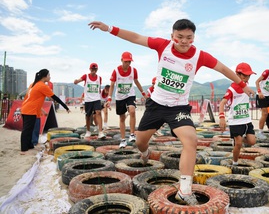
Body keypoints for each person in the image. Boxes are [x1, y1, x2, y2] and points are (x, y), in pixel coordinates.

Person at [89, 19, 254, 205]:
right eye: (180, 37)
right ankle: (145, 154)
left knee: (191, 140)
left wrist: (242, 85)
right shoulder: (163, 46)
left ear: (194, 37)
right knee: (140, 143)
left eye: (189, 37)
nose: (184, 41)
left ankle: (184, 190)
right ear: (172, 36)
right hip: (156, 105)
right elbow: (135, 37)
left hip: (178, 108)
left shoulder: (199, 55)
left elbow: (223, 68)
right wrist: (109, 28)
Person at [20, 69, 70, 155]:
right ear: (45, 76)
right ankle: (23, 149)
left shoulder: (33, 84)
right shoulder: (42, 86)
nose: (50, 77)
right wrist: (65, 107)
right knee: (27, 130)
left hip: (25, 108)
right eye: (49, 75)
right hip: (30, 110)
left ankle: (29, 146)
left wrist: (41, 110)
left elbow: (31, 98)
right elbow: (55, 97)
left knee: (29, 129)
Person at [105, 52, 147, 148]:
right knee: (122, 118)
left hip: (130, 95)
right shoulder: (116, 71)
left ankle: (132, 134)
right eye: (126, 61)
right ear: (122, 60)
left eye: (129, 61)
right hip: (119, 97)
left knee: (132, 110)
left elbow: (136, 82)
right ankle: (123, 140)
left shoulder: (134, 70)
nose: (128, 63)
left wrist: (143, 93)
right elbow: (111, 85)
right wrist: (109, 98)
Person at [219, 62, 257, 166]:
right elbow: (222, 103)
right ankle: (235, 163)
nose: (247, 78)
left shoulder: (246, 86)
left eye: (249, 75)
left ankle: (237, 139)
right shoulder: (231, 89)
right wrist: (222, 117)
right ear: (237, 75)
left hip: (247, 121)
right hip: (235, 122)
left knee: (252, 142)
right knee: (239, 144)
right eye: (245, 75)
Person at [74, 63, 105, 139]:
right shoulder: (86, 76)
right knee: (88, 116)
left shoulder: (99, 78)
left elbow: (99, 88)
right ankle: (88, 131)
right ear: (90, 69)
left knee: (98, 112)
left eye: (95, 69)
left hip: (96, 99)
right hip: (88, 100)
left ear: (97, 70)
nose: (94, 71)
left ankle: (100, 132)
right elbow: (79, 80)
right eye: (92, 69)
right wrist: (76, 81)